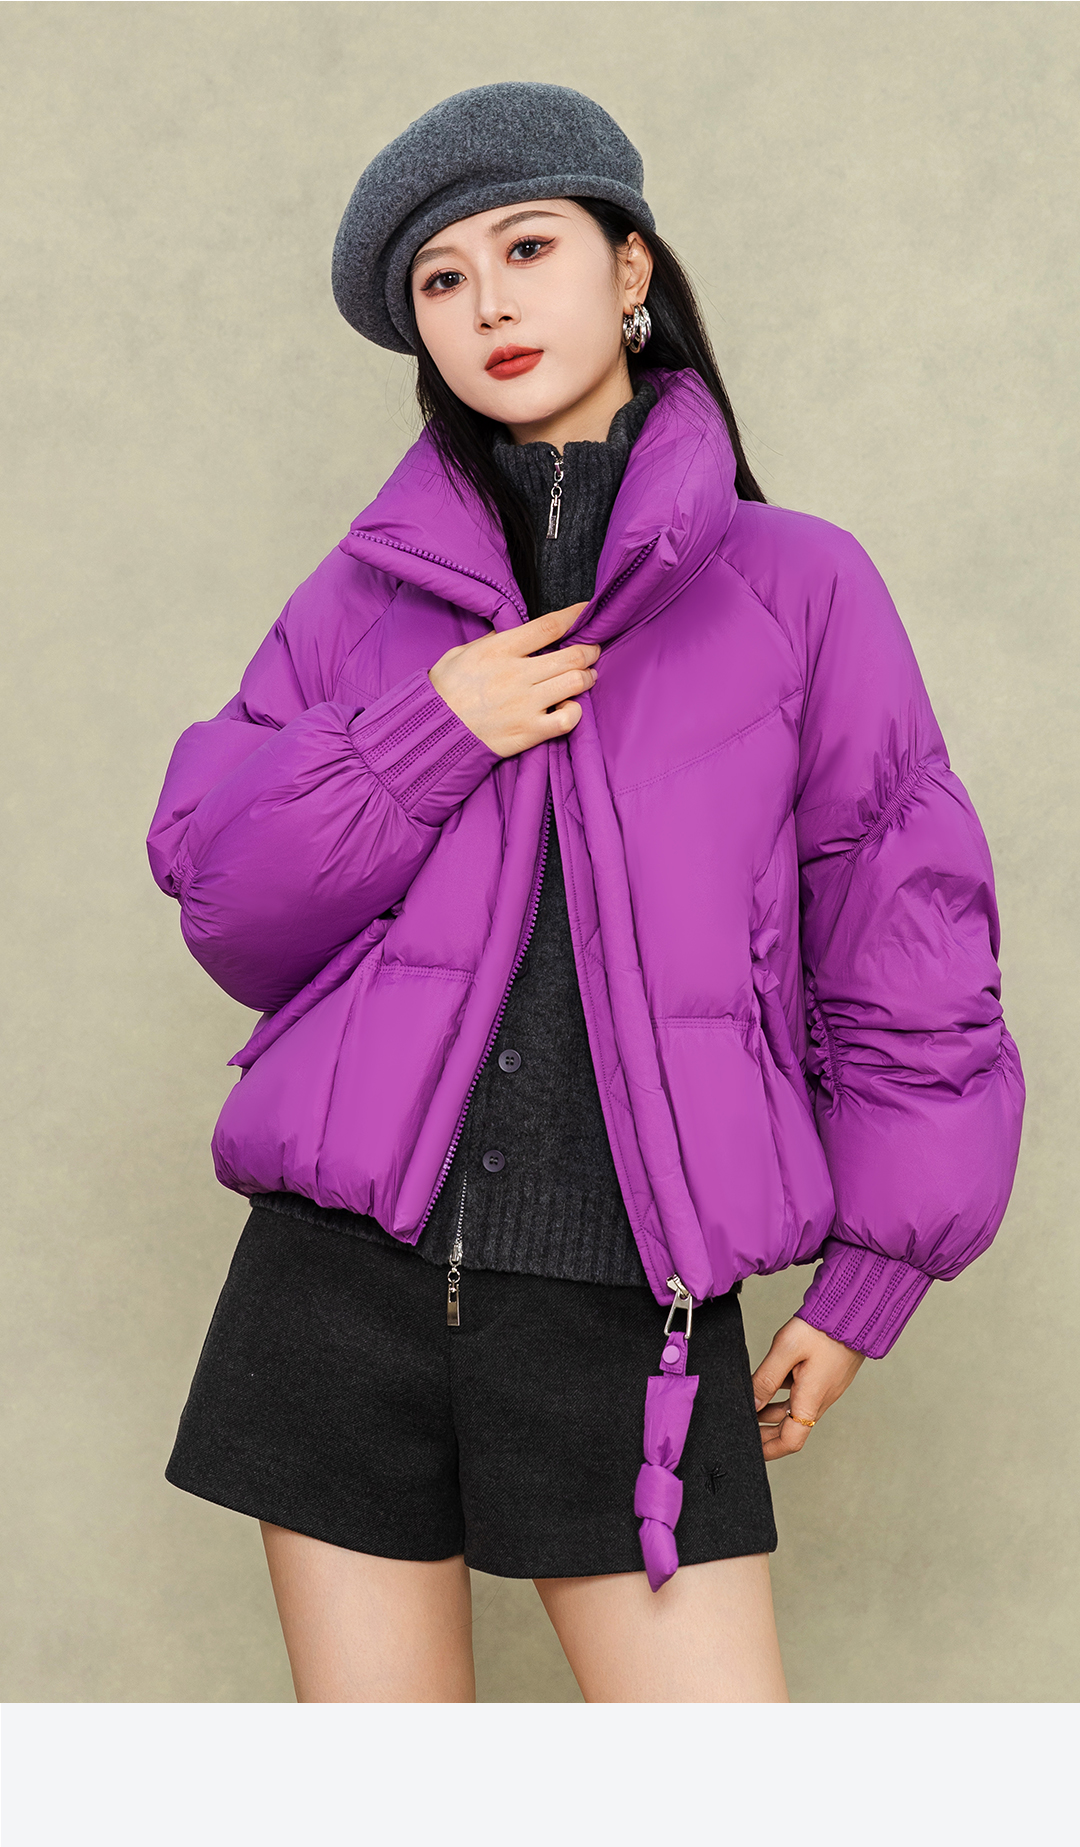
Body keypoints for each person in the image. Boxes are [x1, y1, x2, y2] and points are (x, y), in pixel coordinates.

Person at [147, 82, 1025, 1703]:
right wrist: (428, 735)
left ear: (630, 269)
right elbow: (228, 904)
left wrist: (874, 1275)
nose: (488, 302)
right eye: (442, 277)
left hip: (632, 1310)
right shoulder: (366, 600)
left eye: (528, 248)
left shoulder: (800, 585)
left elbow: (905, 941)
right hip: (332, 1297)